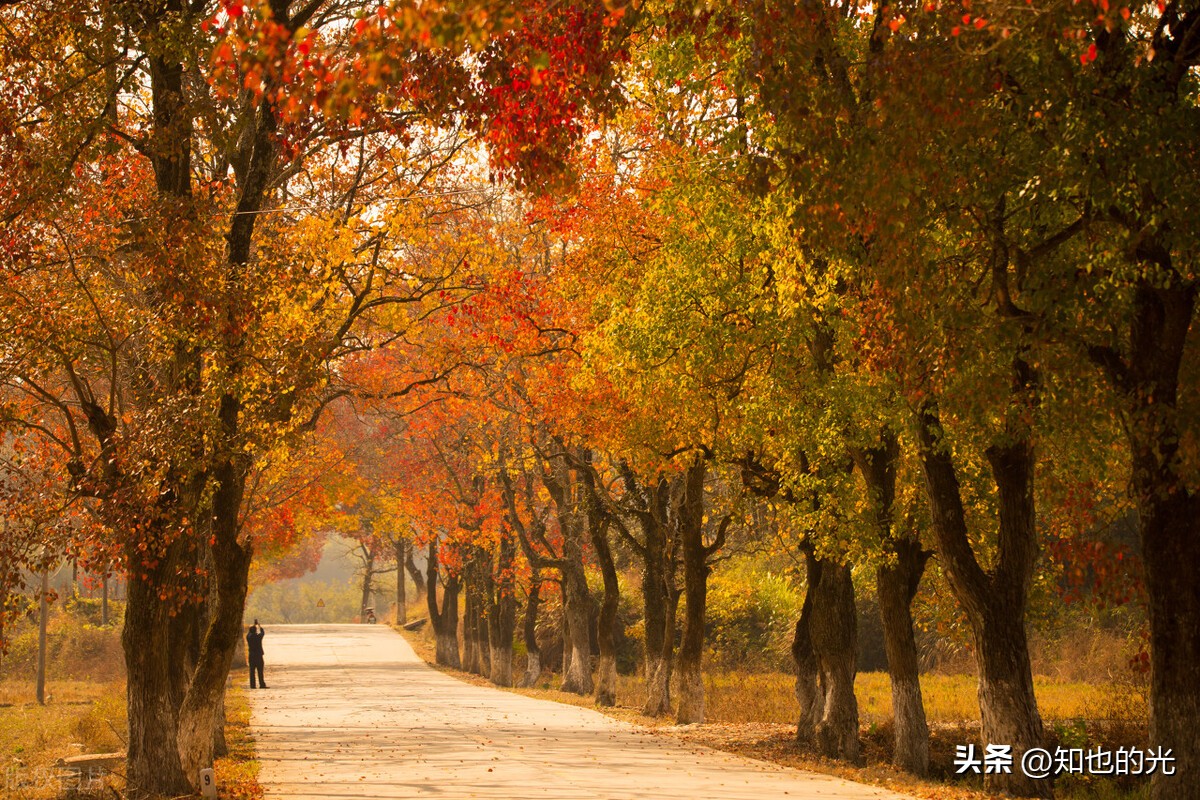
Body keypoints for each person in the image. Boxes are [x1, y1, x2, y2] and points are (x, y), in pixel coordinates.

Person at [246, 620, 268, 689]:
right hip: (258, 656)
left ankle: (252, 685)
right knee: (260, 671)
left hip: (251, 656)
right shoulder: (258, 637)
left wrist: (254, 625)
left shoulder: (248, 637)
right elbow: (262, 632)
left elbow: (249, 633)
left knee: (252, 671)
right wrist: (259, 625)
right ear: (255, 631)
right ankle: (262, 684)